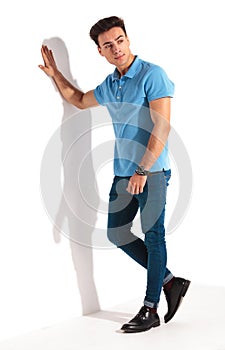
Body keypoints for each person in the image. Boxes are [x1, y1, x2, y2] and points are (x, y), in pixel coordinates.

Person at [39, 15, 190, 333]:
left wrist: (143, 169)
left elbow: (162, 125)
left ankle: (150, 308)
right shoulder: (112, 84)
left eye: (120, 40)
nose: (116, 47)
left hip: (152, 172)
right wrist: (56, 76)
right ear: (100, 51)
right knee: (117, 233)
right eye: (108, 44)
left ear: (128, 39)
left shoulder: (153, 75)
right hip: (123, 172)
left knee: (154, 236)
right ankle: (170, 282)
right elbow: (79, 100)